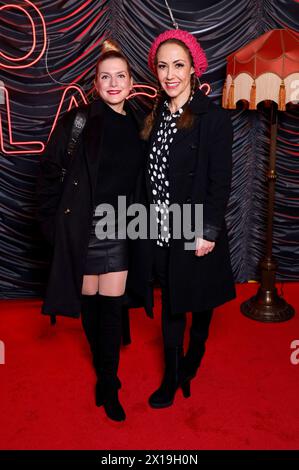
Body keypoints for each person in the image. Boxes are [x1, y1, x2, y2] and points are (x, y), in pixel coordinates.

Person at [36, 40, 144, 421]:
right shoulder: (78, 121)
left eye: (120, 76)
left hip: (120, 228)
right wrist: (54, 228)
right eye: (105, 77)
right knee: (91, 308)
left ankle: (108, 381)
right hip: (82, 227)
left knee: (112, 309)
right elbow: (49, 174)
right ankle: (104, 369)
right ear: (95, 84)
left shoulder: (140, 121)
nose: (113, 83)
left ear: (132, 82)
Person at [136, 29, 236, 408]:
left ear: (194, 68)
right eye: (162, 66)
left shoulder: (213, 119)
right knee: (174, 301)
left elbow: (219, 180)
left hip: (195, 226)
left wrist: (208, 229)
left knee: (200, 300)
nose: (169, 74)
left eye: (178, 64)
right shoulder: (156, 113)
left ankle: (196, 352)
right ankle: (173, 376)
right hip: (161, 228)